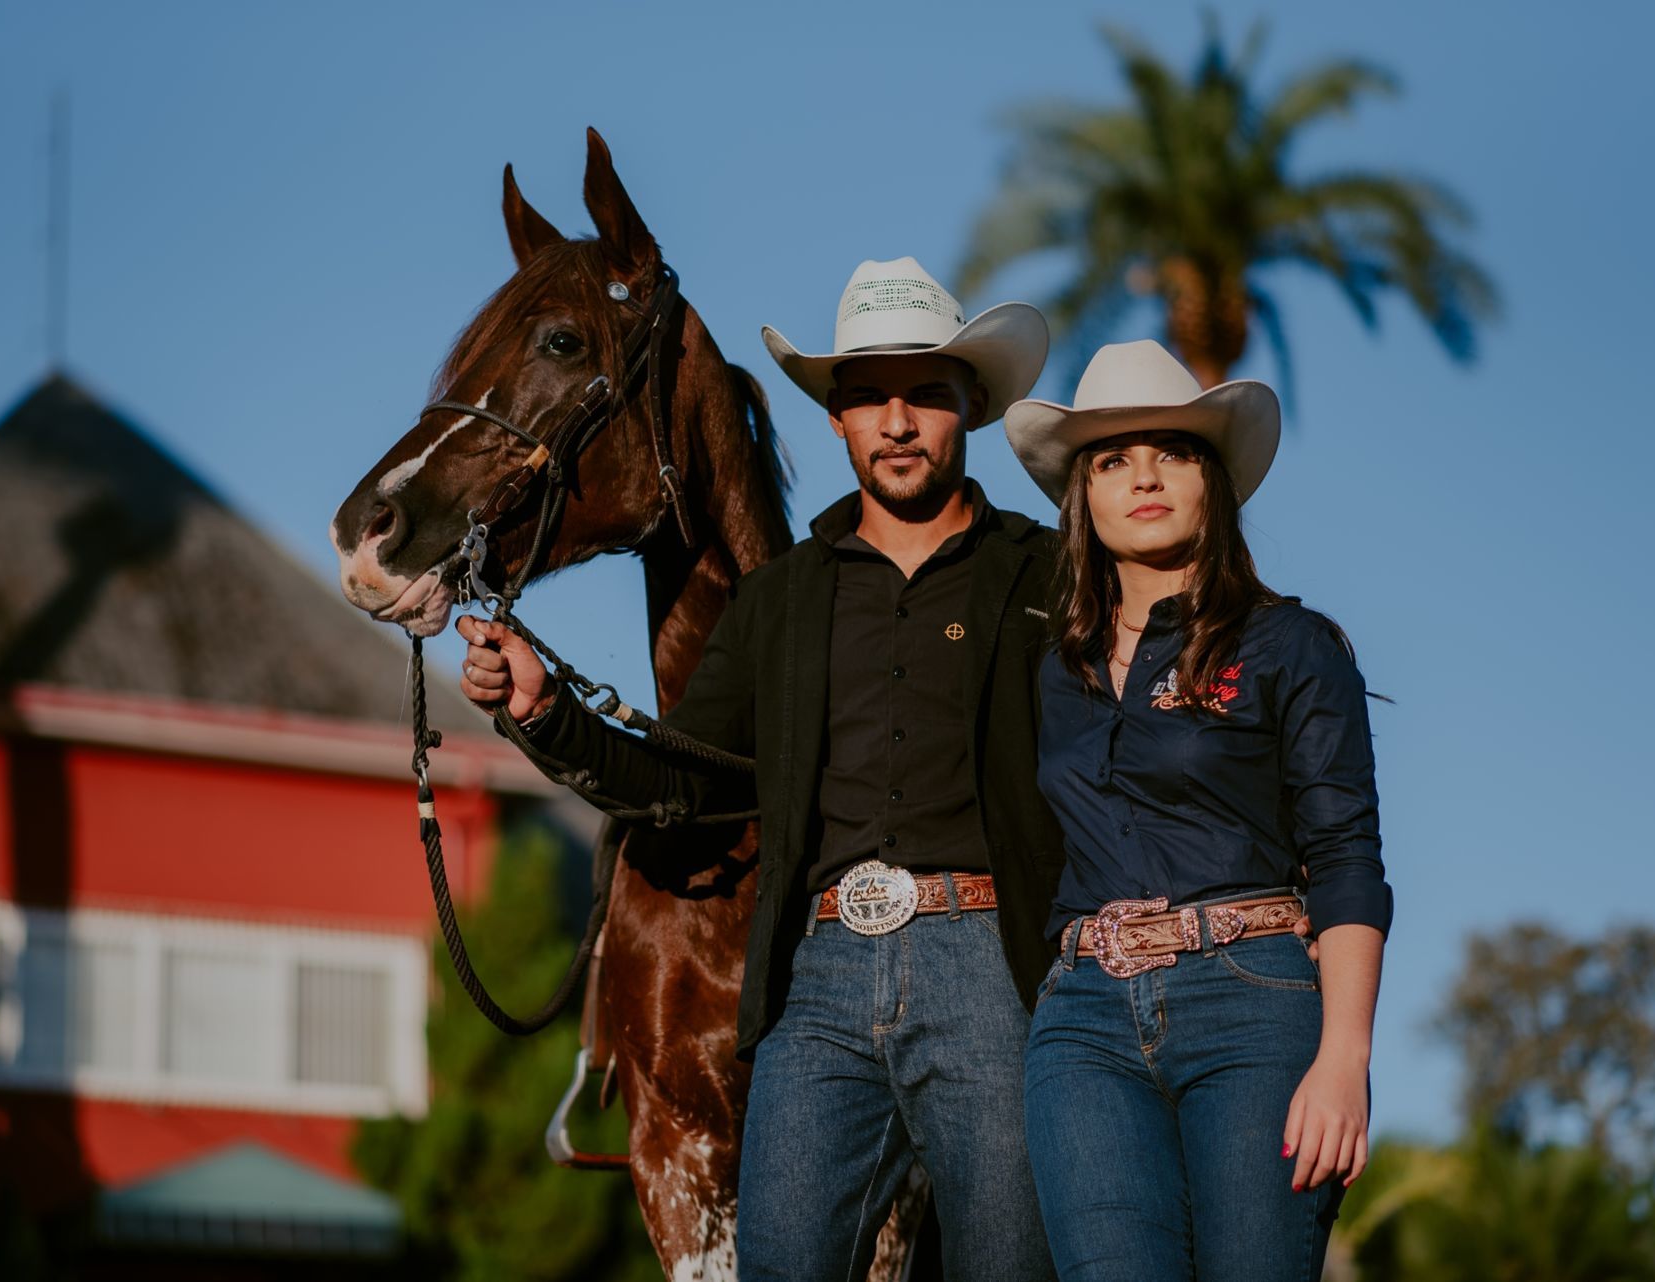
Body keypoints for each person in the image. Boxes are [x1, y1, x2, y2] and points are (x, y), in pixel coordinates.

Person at [459, 257, 1061, 1281]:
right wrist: (545, 711)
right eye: (869, 397)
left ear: (971, 403)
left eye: (925, 392)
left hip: (987, 961)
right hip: (819, 976)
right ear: (836, 418)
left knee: (1007, 1266)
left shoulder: (1046, 574)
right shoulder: (781, 598)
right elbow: (680, 782)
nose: (898, 422)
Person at [1003, 340, 1391, 1282]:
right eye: (1112, 460)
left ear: (1212, 482)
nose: (1144, 477)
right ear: (1083, 501)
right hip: (1082, 1023)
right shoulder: (1051, 670)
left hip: (1252, 1006)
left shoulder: (1290, 644)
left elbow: (1346, 856)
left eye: (1172, 453)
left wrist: (1345, 1059)